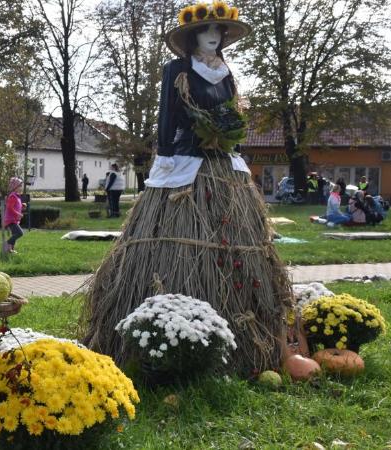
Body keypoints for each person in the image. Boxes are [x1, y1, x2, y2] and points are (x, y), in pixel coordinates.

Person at [84, 3, 291, 375]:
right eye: (206, 30)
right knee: (169, 240)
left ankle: (240, 341)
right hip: (184, 163)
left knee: (233, 236)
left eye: (219, 31)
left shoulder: (226, 73)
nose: (214, 36)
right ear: (192, 35)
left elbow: (231, 113)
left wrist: (230, 142)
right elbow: (167, 114)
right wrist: (164, 152)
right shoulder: (177, 70)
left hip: (220, 166)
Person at [3, 177, 25, 254]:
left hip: (14, 219)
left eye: (21, 186)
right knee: (20, 233)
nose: (21, 187)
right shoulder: (13, 196)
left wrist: (22, 205)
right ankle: (7, 243)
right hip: (11, 220)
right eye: (19, 186)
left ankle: (10, 250)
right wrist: (18, 213)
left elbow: (15, 205)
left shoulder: (17, 196)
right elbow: (10, 207)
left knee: (15, 234)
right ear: (15, 187)